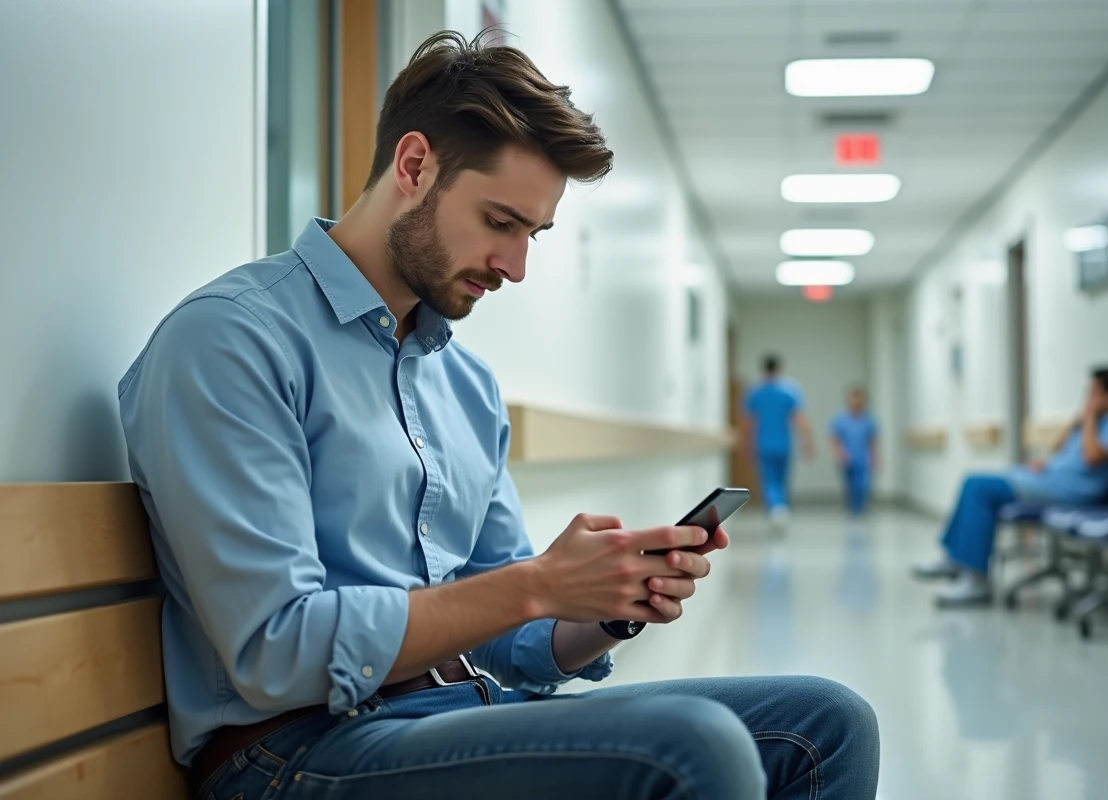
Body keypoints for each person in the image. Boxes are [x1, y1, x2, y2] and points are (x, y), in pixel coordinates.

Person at [118, 31, 878, 800]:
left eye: (532, 235)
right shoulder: (233, 339)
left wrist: (603, 605)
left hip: (451, 713)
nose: (515, 266)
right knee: (694, 747)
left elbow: (512, 639)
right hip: (294, 751)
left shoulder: (465, 384)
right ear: (414, 166)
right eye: (500, 222)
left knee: (827, 722)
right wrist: (537, 584)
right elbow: (275, 651)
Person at [912, 367, 1108, 606]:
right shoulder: (1090, 424)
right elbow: (1059, 448)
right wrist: (1069, 434)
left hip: (1070, 492)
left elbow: (1092, 457)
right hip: (1049, 479)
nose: (1087, 400)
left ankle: (976, 579)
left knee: (978, 487)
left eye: (1093, 393)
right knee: (972, 482)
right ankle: (955, 560)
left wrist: (1090, 417)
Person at [743, 355, 815, 530]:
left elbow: (748, 422)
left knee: (769, 480)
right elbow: (799, 419)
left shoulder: (755, 392)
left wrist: (745, 444)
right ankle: (780, 508)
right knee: (781, 480)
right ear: (780, 369)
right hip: (783, 444)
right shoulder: (790, 390)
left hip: (763, 444)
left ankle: (776, 510)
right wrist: (807, 441)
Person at [830, 386, 879, 516]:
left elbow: (872, 440)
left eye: (858, 398)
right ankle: (852, 508)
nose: (856, 401)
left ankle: (860, 508)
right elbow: (834, 439)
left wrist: (875, 458)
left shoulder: (868, 419)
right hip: (847, 458)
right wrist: (839, 453)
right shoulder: (840, 419)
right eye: (853, 398)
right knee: (850, 485)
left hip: (863, 458)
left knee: (861, 485)